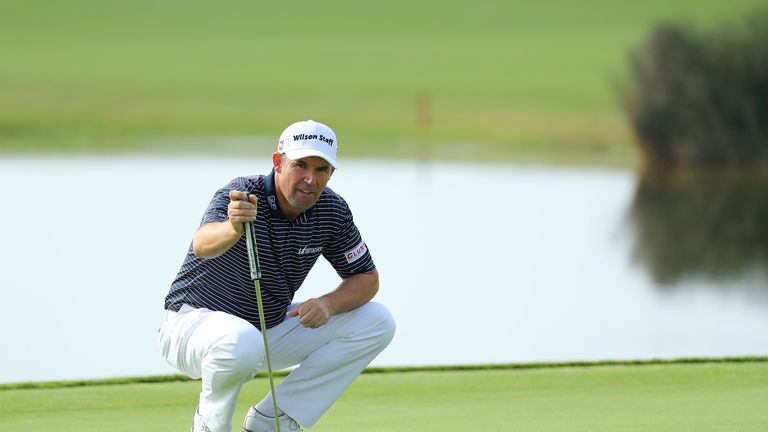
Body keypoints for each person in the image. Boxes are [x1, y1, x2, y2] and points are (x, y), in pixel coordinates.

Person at [158, 120, 396, 432]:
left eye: (321, 169)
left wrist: (327, 304)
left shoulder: (332, 210)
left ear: (332, 173)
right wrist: (233, 228)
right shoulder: (244, 195)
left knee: (377, 321)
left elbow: (366, 278)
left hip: (264, 330)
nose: (310, 179)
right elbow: (202, 244)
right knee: (240, 341)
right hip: (191, 327)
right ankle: (209, 427)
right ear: (277, 162)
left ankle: (272, 422)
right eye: (300, 165)